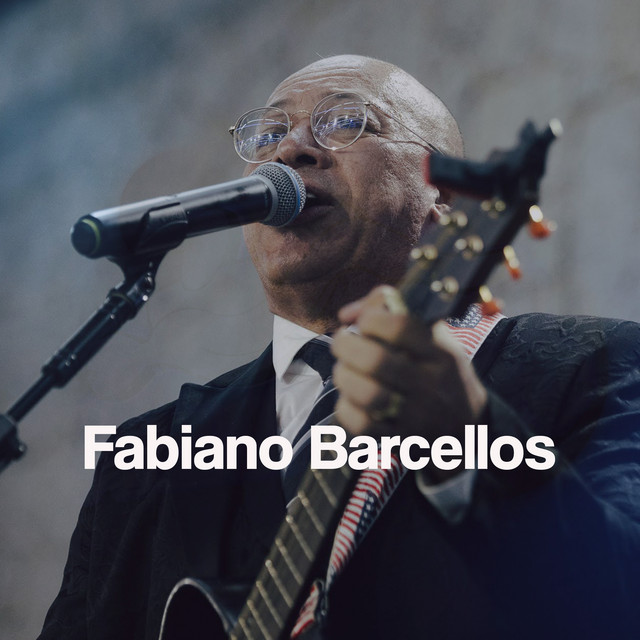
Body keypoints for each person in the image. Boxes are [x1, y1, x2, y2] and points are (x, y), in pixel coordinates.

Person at [38, 55, 640, 640]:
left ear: (446, 202)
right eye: (267, 133)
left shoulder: (599, 364)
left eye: (347, 121)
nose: (289, 149)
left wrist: (469, 445)